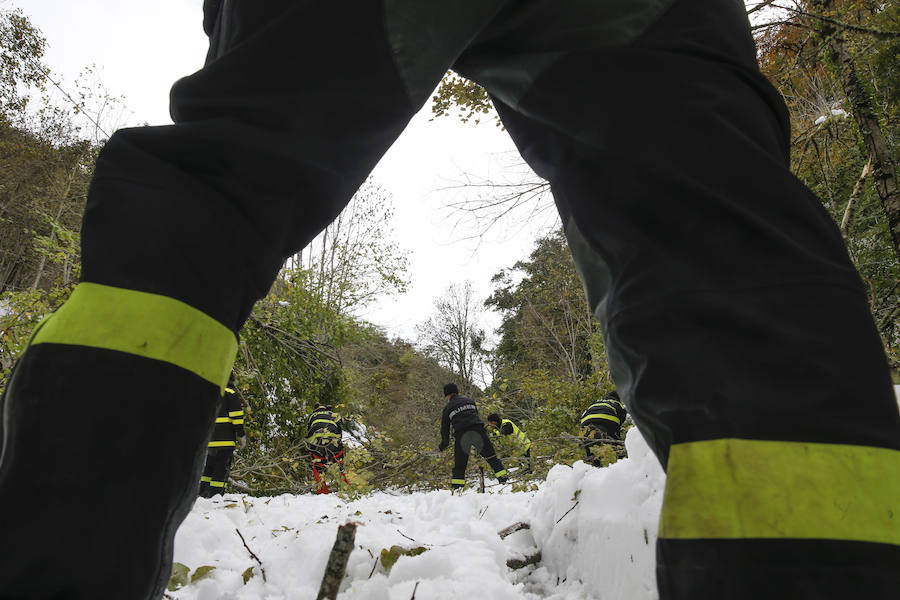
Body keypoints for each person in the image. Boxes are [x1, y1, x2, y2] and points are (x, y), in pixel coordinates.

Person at [1, 1, 897, 598]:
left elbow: (459, 428)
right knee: (721, 240)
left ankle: (53, 561)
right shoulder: (464, 405)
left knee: (217, 197)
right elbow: (465, 428)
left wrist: (472, 444)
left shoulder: (457, 406)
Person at [439, 383, 508, 489]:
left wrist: (444, 444)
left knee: (460, 465)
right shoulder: (469, 401)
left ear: (447, 395)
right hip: (478, 431)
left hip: (462, 435)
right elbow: (476, 416)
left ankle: (457, 488)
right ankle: (504, 481)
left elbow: (445, 428)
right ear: (457, 392)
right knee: (491, 457)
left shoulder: (448, 408)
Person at [198, 376, 247, 497]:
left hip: (210, 440)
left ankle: (203, 494)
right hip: (225, 441)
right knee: (221, 470)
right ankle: (215, 496)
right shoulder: (230, 393)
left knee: (208, 469)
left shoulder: (210, 392)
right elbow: (236, 417)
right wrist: (241, 435)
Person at [305, 403, 349, 494]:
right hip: (333, 441)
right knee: (341, 463)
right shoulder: (333, 414)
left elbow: (309, 433)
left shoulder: (312, 416)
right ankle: (348, 486)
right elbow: (339, 433)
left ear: (315, 410)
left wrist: (311, 449)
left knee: (317, 465)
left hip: (317, 443)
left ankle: (321, 491)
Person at [580, 390, 628, 465]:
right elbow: (620, 422)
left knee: (589, 444)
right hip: (607, 421)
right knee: (616, 444)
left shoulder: (597, 402)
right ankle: (621, 462)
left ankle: (591, 464)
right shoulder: (617, 403)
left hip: (586, 423)